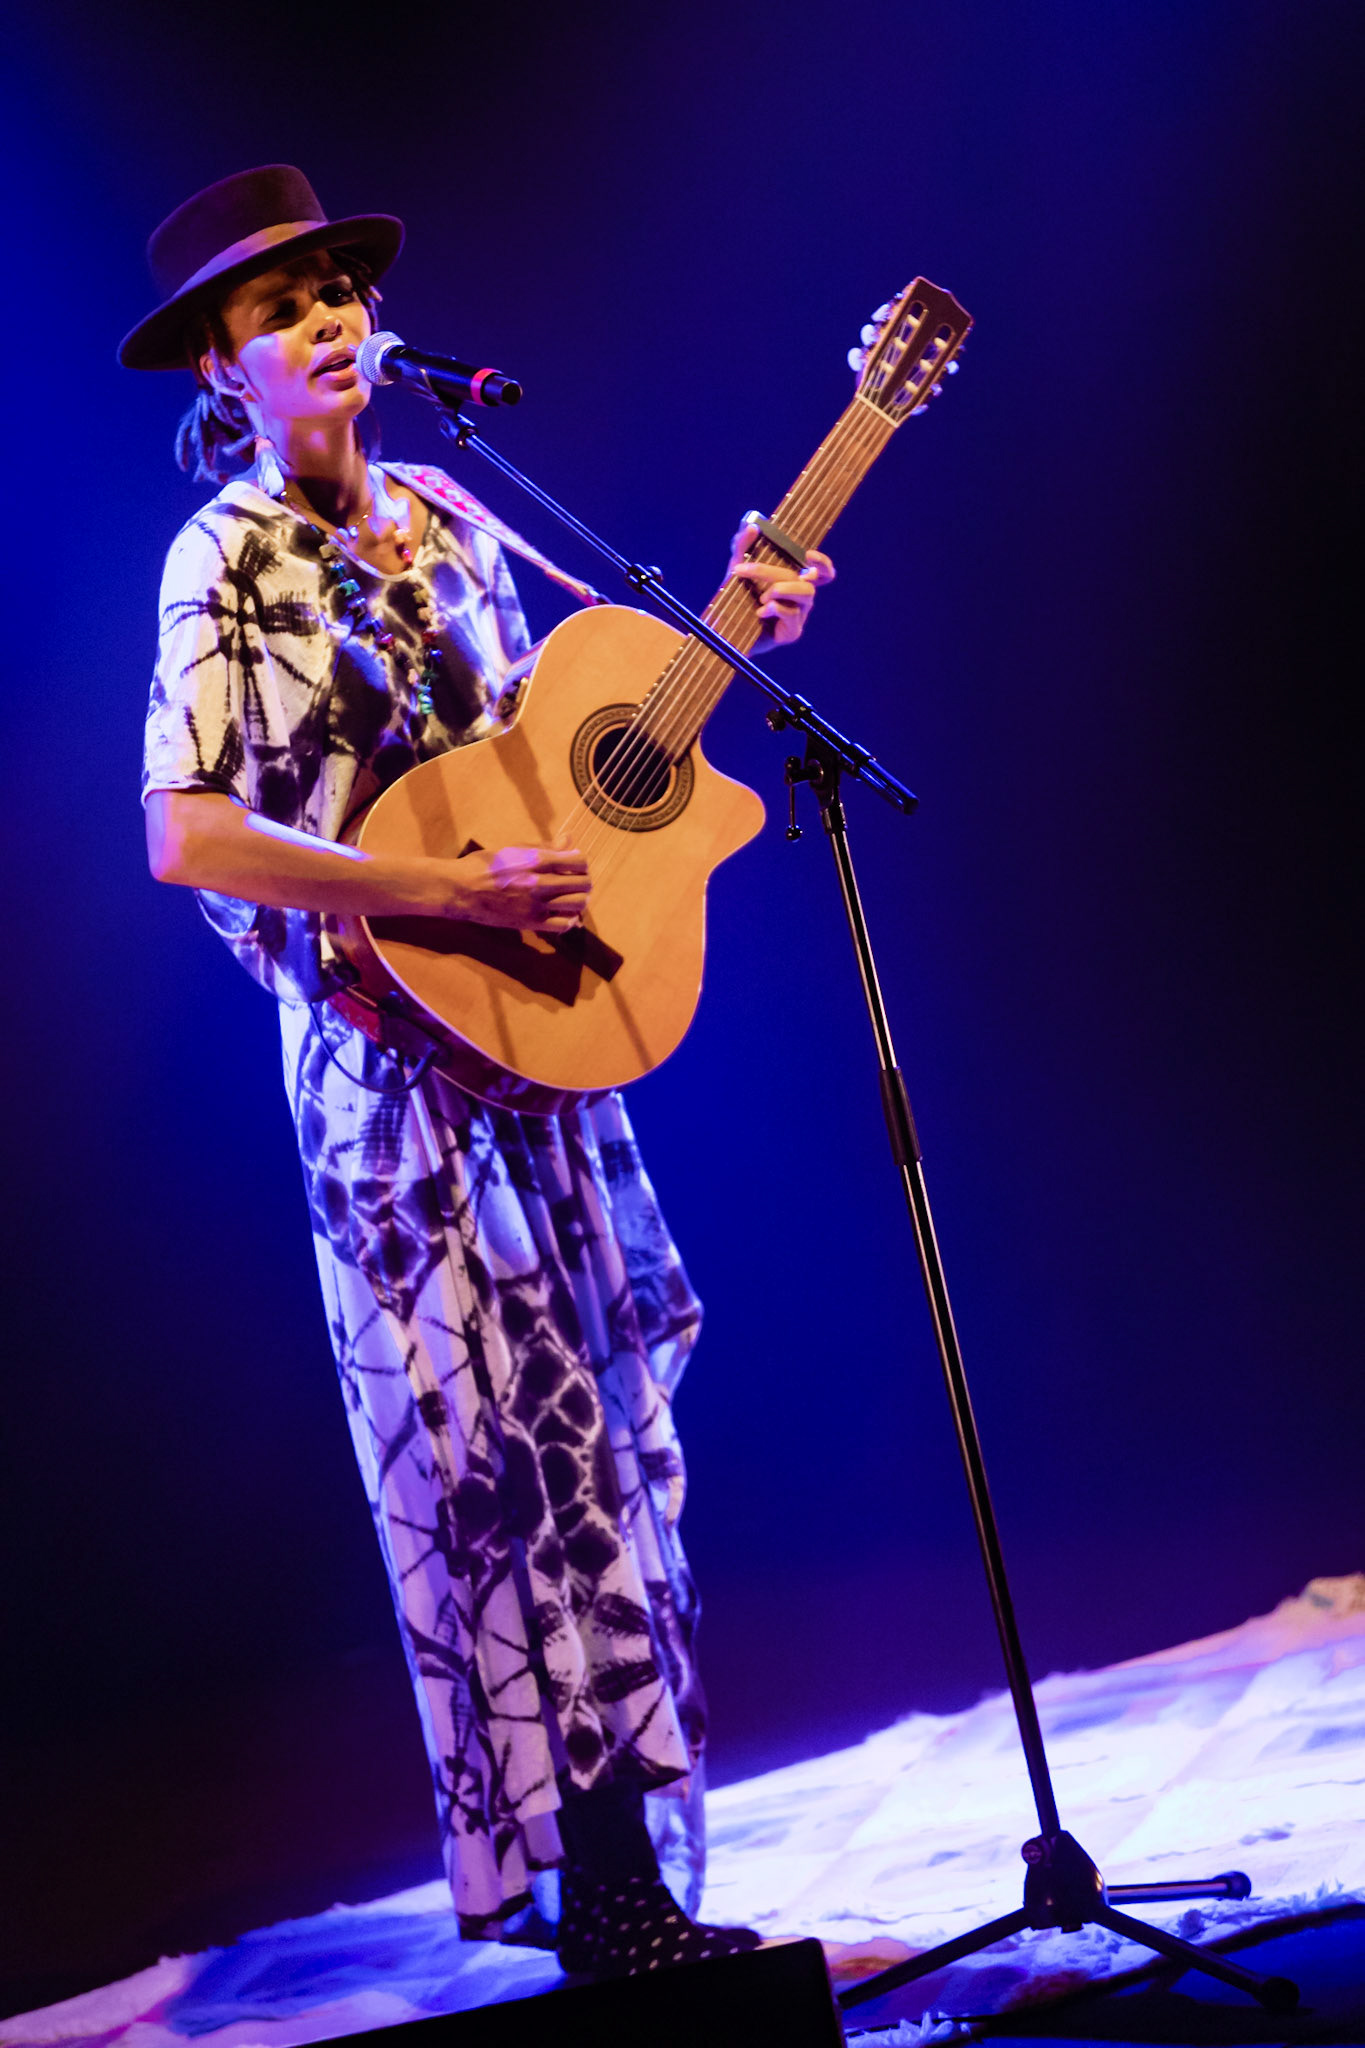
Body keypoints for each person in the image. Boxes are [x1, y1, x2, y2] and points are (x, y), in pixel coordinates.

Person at [123, 165, 831, 1981]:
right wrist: (423, 884)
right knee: (493, 1460)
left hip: (536, 1041)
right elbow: (187, 837)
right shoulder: (222, 561)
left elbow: (607, 724)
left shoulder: (449, 511)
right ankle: (599, 1895)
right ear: (222, 369)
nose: (328, 318)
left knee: (594, 1429)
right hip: (384, 1078)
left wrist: (748, 616)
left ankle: (632, 1884)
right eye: (279, 309)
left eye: (338, 287)